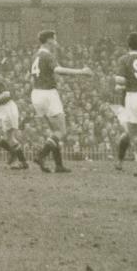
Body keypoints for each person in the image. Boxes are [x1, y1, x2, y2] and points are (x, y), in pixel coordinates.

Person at [30, 30, 92, 174]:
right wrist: (81, 72)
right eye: (55, 39)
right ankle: (41, 155)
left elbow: (32, 77)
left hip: (36, 93)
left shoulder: (35, 55)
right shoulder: (47, 55)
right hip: (48, 93)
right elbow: (58, 70)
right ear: (49, 40)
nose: (56, 42)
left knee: (54, 131)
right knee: (61, 131)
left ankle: (58, 165)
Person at [110, 32, 137, 176]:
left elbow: (120, 80)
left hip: (133, 98)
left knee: (135, 136)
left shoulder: (124, 59)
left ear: (128, 44)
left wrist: (121, 81)